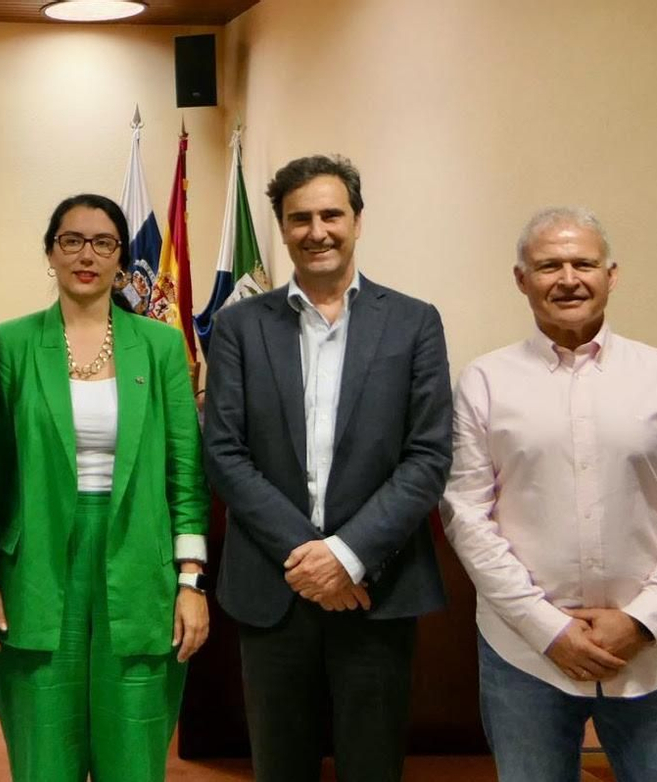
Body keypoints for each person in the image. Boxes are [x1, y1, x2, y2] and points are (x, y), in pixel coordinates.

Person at [442, 207, 657, 782]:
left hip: (656, 655)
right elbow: (467, 517)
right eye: (548, 266)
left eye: (583, 263)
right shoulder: (484, 384)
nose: (568, 279)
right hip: (526, 657)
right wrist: (546, 628)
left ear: (612, 274)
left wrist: (642, 620)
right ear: (521, 279)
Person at [200, 154, 452, 782]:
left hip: (377, 588)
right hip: (273, 586)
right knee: (279, 767)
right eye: (300, 218)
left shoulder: (414, 322)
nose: (317, 231)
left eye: (331, 215)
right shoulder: (237, 326)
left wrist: (347, 554)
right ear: (283, 229)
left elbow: (428, 456)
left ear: (357, 221)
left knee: (373, 767)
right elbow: (224, 452)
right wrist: (310, 557)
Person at [0, 193, 211, 781]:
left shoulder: (158, 347)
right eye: (71, 241)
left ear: (122, 260)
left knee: (132, 747)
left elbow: (185, 473)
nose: (86, 255)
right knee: (44, 748)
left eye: (103, 243)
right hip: (35, 566)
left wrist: (190, 582)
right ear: (50, 253)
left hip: (140, 564)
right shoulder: (13, 342)